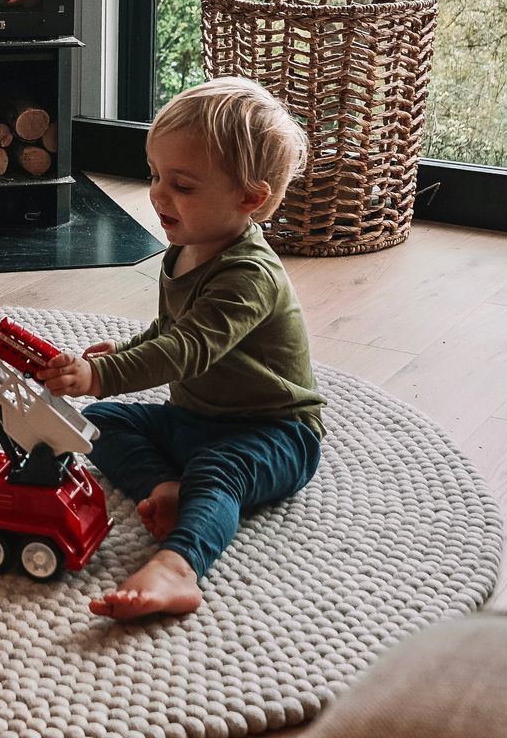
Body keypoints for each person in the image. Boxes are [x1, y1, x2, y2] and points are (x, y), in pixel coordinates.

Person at [40, 76, 325, 619]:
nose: (157, 194)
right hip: (194, 416)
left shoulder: (249, 274)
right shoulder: (186, 249)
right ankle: (166, 486)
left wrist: (105, 373)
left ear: (250, 198)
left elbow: (187, 350)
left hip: (273, 430)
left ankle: (179, 565)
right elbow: (168, 331)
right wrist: (117, 357)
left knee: (217, 474)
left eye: (183, 186)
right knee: (99, 422)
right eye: (154, 176)